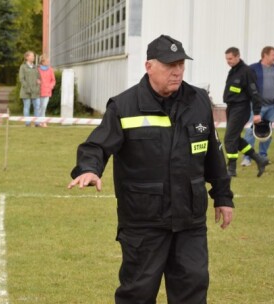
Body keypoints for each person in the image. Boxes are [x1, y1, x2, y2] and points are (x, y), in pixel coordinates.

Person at [68, 35, 234, 303]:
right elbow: (96, 146)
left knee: (192, 290)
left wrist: (223, 197)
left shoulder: (199, 101)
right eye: (170, 65)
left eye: (181, 63)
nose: (177, 71)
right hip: (143, 223)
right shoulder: (124, 106)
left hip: (189, 222)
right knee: (137, 294)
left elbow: (213, 153)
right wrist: (89, 169)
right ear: (149, 66)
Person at [222, 47, 268, 177]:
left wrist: (257, 112)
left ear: (237, 56)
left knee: (229, 139)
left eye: (230, 58)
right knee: (235, 138)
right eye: (226, 59)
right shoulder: (233, 71)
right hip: (231, 108)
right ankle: (260, 159)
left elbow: (255, 93)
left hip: (240, 108)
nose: (228, 61)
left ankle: (231, 169)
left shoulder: (246, 71)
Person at [242, 46, 274, 166]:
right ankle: (247, 158)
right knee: (251, 132)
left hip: (272, 107)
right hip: (256, 107)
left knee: (267, 133)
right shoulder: (253, 68)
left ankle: (263, 157)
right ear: (265, 55)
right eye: (273, 55)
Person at [19, 50, 41, 127]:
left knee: (37, 107)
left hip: (35, 91)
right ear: (27, 57)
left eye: (34, 56)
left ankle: (37, 123)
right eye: (32, 56)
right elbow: (21, 79)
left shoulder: (36, 67)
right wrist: (28, 88)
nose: (33, 57)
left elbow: (38, 78)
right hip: (26, 92)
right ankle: (27, 123)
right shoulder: (23, 67)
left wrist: (39, 83)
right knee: (26, 107)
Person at [37, 54, 56, 128]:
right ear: (42, 61)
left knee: (44, 107)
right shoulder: (38, 69)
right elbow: (36, 78)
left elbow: (53, 80)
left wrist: (51, 86)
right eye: (46, 61)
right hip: (39, 91)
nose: (48, 62)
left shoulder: (50, 69)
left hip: (47, 91)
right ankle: (39, 122)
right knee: (39, 107)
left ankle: (43, 122)